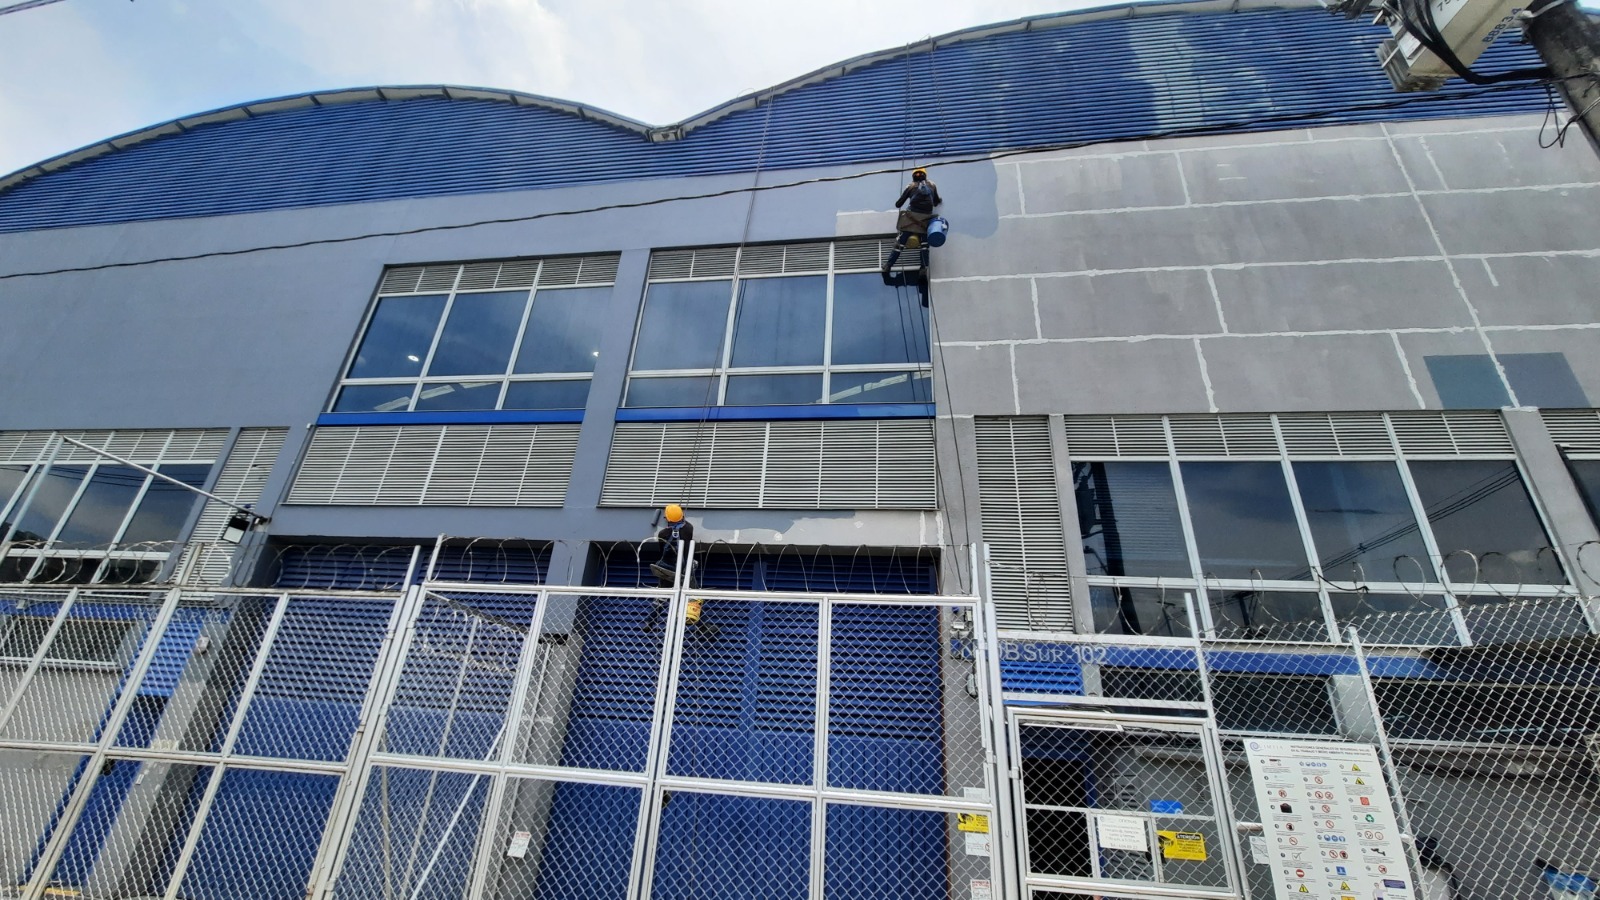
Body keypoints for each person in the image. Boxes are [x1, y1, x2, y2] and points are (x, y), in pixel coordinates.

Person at [883, 168, 942, 279]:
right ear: (925, 175)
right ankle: (923, 268)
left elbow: (898, 204)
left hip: (910, 219)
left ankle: (888, 265)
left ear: (913, 176)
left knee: (900, 243)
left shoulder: (910, 186)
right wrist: (939, 201)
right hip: (925, 220)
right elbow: (936, 201)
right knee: (924, 245)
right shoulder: (932, 185)